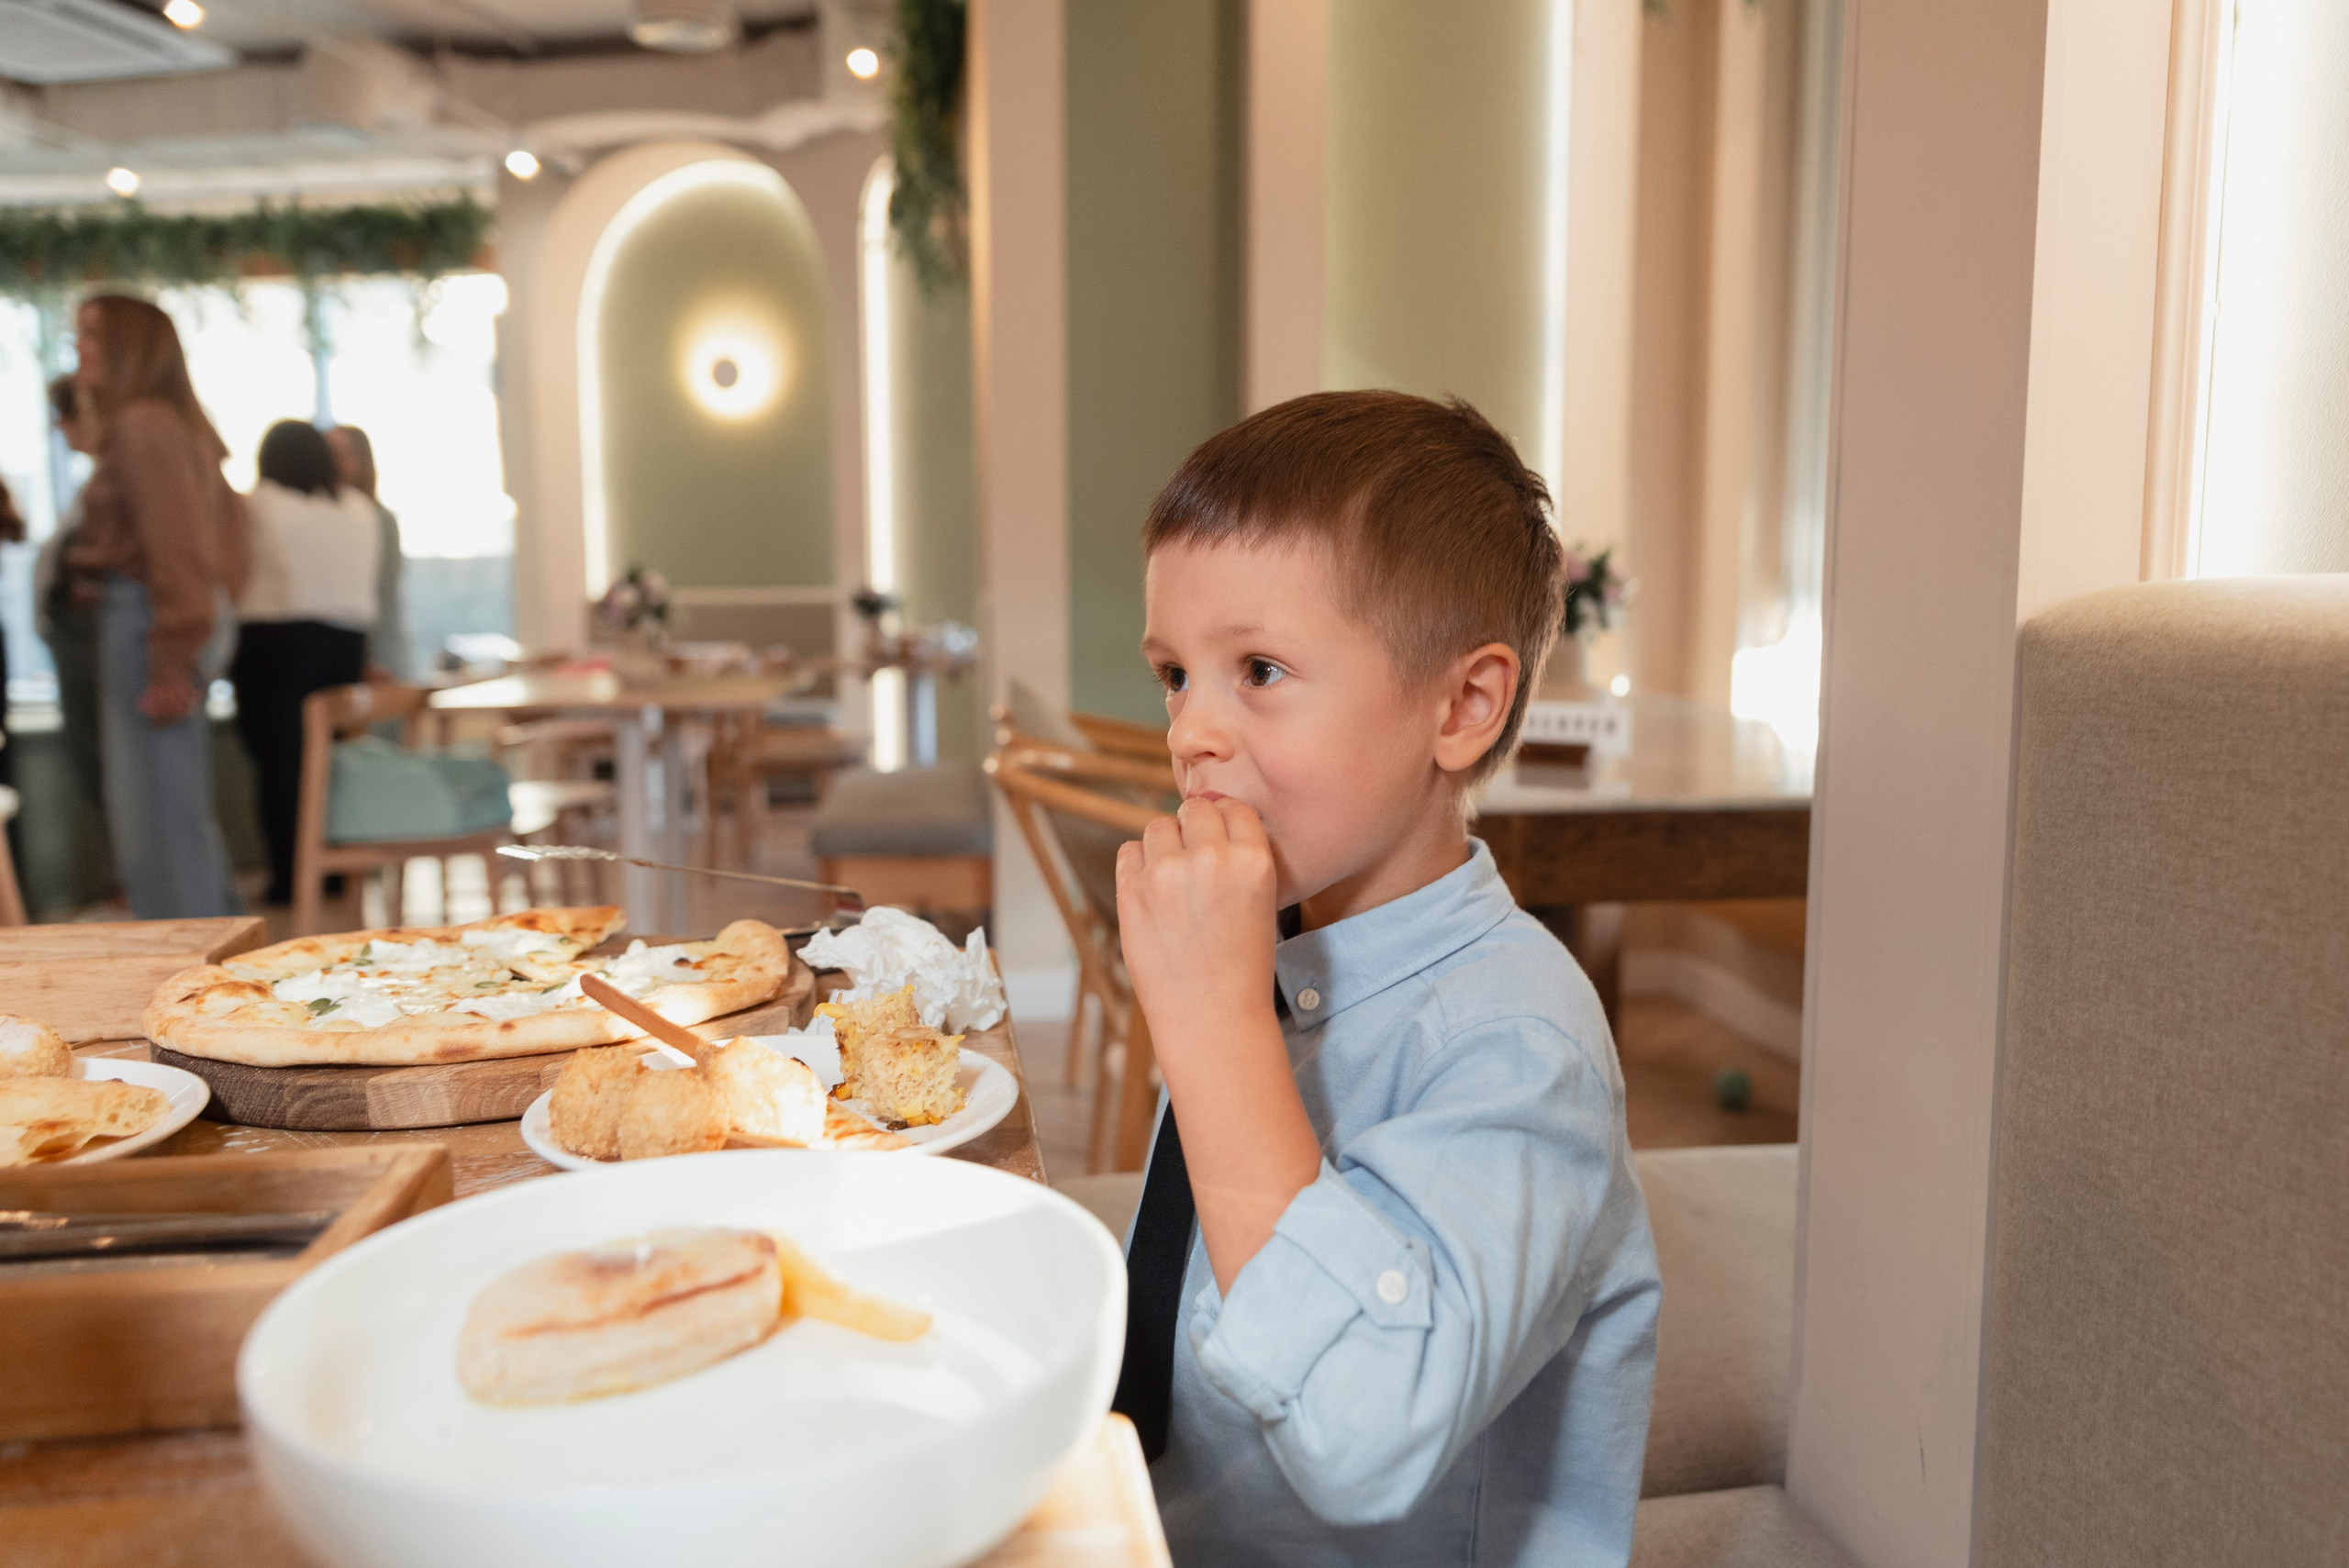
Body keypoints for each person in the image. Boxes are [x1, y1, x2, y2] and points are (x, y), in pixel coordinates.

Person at [1110, 391, 1660, 1564]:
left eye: (1257, 668)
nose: (1190, 730)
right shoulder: (1273, 948)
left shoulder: (1520, 1043)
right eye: (1173, 673)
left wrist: (1210, 1028)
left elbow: (1361, 1430)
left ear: (1461, 705)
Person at [66, 294, 248, 919]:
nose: (79, 346)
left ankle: (189, 984)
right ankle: (208, 972)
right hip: (153, 619)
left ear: (130, 346)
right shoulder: (165, 422)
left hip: (150, 626)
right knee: (171, 814)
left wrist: (173, 653)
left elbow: (179, 547)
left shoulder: (145, 424)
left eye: (91, 333)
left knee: (159, 825)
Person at [231, 419, 381, 906]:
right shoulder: (359, 509)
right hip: (347, 645)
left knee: (280, 763)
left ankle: (289, 876)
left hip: (275, 642)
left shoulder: (262, 504)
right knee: (330, 761)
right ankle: (335, 869)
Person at [37, 375, 108, 838]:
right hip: (78, 640)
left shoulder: (114, 479)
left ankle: (133, 891)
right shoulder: (94, 482)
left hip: (95, 641)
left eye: (66, 414)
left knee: (106, 764)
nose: (59, 427)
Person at [322, 424, 411, 681]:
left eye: (341, 454)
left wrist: (375, 659)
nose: (332, 462)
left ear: (361, 461)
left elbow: (382, 596)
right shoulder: (327, 519)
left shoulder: (379, 520)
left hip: (379, 658)